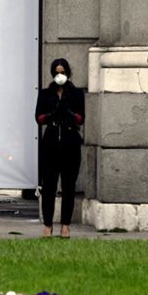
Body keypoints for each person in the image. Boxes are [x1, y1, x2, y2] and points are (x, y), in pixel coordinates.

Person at [34, 58, 85, 239]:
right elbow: (39, 118)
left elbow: (81, 118)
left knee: (68, 186)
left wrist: (68, 114)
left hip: (70, 143)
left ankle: (65, 225)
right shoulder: (45, 93)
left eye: (63, 72)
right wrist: (52, 114)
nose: (60, 75)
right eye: (57, 73)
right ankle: (48, 225)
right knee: (49, 186)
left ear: (68, 73)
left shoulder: (76, 93)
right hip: (51, 143)